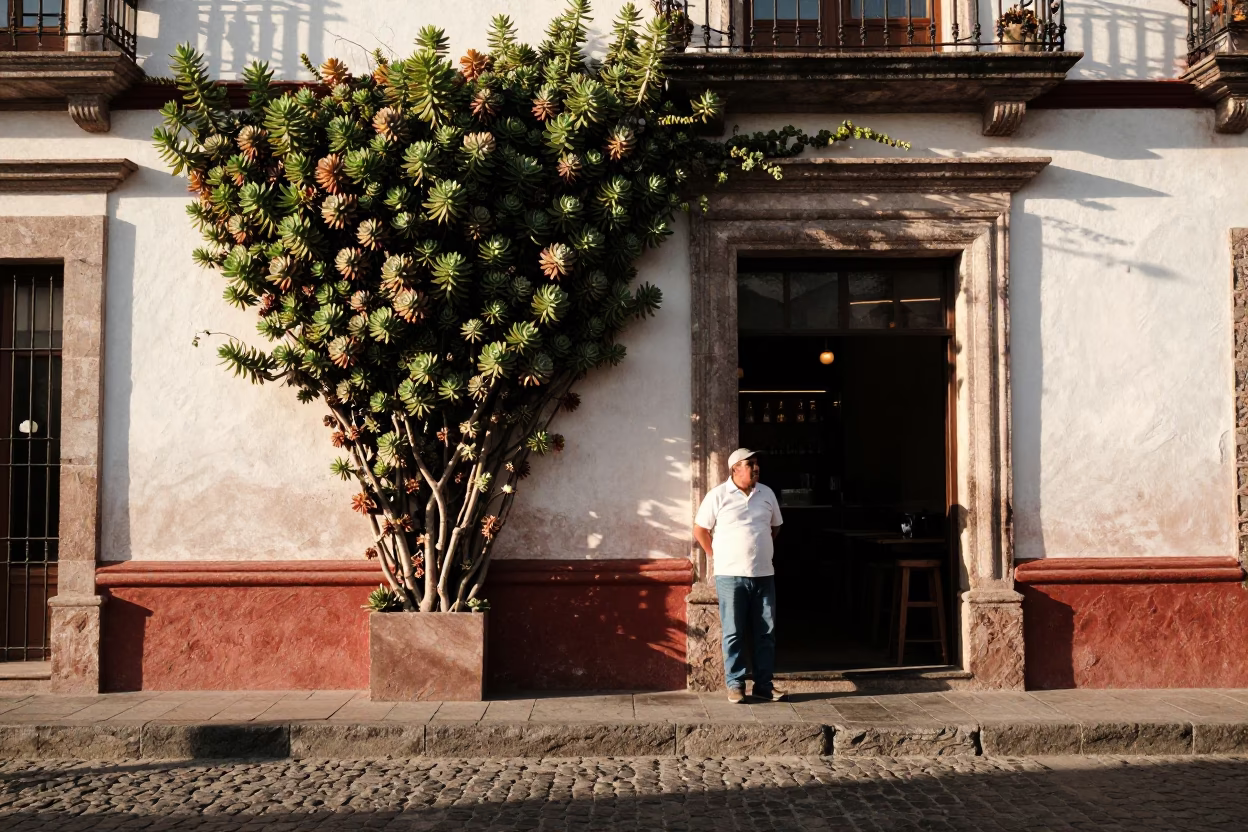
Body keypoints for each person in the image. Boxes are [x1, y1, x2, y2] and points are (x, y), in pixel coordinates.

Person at [693, 448, 786, 703]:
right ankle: (735, 684)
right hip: (730, 576)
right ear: (735, 468)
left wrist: (758, 548)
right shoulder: (718, 495)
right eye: (750, 464)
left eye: (757, 464)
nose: (756, 468)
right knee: (733, 631)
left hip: (764, 574)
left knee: (766, 632)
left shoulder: (766, 493)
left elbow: (775, 527)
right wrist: (715, 554)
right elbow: (700, 529)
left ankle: (764, 685)